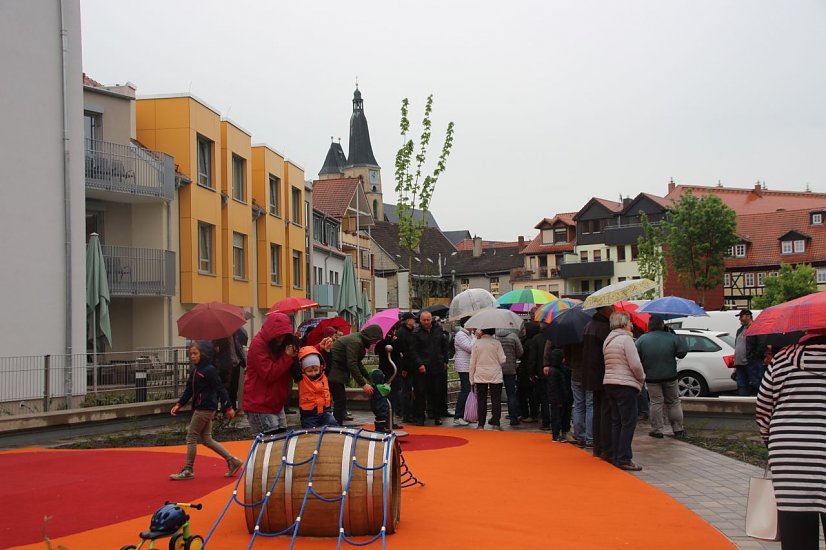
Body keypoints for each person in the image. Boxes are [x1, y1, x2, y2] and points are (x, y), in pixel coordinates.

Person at [756, 329, 826, 550]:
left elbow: (763, 408)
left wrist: (770, 439)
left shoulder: (783, 359)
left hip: (789, 453)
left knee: (797, 534)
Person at [169, 340, 243, 480]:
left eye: (195, 353)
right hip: (204, 407)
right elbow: (189, 390)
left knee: (191, 437)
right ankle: (232, 461)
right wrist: (179, 404)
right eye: (191, 354)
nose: (192, 356)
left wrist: (228, 406)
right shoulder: (196, 370)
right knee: (206, 439)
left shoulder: (208, 370)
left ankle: (188, 470)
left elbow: (220, 388)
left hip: (204, 408)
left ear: (203, 354)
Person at [602, 311, 646, 471]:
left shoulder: (608, 340)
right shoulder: (626, 340)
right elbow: (635, 364)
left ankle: (616, 454)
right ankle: (624, 458)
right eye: (629, 322)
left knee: (616, 421)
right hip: (625, 384)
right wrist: (641, 378)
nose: (632, 325)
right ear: (623, 323)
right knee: (628, 422)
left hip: (610, 382)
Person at [243, 312, 298, 435]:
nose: (280, 339)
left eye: (283, 336)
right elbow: (269, 374)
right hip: (260, 404)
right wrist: (287, 357)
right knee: (268, 447)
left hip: (274, 403)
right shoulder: (258, 344)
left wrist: (319, 348)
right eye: (278, 336)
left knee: (280, 444)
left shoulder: (278, 345)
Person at [635, 315, 688, 438]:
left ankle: (657, 429)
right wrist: (674, 335)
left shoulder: (643, 339)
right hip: (670, 375)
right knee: (674, 401)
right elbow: (682, 353)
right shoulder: (672, 337)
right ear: (662, 325)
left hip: (652, 377)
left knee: (656, 402)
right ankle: (678, 428)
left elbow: (636, 355)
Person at [327, 324, 383, 426]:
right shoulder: (356, 342)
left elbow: (357, 362)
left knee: (340, 400)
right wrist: (363, 384)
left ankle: (337, 424)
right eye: (376, 340)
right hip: (334, 369)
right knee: (339, 400)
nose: (375, 343)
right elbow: (352, 363)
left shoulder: (358, 340)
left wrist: (368, 377)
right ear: (371, 337)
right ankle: (336, 426)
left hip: (337, 369)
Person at [581, 305, 614, 461]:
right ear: (604, 310)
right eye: (611, 307)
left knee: (597, 412)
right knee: (605, 412)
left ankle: (597, 447)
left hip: (590, 374)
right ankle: (605, 448)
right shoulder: (604, 328)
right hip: (603, 374)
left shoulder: (589, 326)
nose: (613, 309)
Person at [410, 311, 449, 426]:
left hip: (436, 366)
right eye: (424, 320)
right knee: (420, 393)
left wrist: (444, 360)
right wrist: (420, 364)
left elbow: (444, 346)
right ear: (420, 320)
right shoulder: (416, 333)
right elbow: (413, 351)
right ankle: (420, 417)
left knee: (436, 392)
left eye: (428, 320)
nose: (426, 322)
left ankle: (437, 416)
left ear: (431, 319)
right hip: (422, 368)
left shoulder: (438, 330)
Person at [291, 346, 337, 429]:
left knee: (332, 424)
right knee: (310, 432)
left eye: (316, 370)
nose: (313, 373)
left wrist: (327, 351)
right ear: (303, 370)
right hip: (309, 414)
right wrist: (294, 356)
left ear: (320, 368)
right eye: (309, 371)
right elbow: (295, 369)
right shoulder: (301, 378)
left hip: (325, 411)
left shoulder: (324, 375)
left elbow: (328, 363)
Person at [470, 328, 506, 430]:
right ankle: (496, 423)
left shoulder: (477, 343)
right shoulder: (497, 343)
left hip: (480, 375)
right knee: (496, 399)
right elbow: (502, 359)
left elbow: (472, 362)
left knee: (481, 400)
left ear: (483, 331)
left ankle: (481, 424)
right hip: (495, 374)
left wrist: (471, 379)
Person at [734, 309, 767, 396]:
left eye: (741, 316)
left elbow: (762, 344)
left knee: (756, 383)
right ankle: (743, 405)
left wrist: (753, 356)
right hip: (739, 363)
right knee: (741, 385)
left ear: (748, 316)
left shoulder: (756, 328)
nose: (740, 319)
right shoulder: (740, 330)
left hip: (752, 362)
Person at [565, 342, 592, 448]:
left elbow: (567, 355)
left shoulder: (571, 338)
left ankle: (580, 435)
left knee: (578, 405)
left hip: (576, 372)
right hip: (589, 373)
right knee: (590, 405)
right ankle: (590, 438)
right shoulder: (591, 336)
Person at [545, 345, 573, 442]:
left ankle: (556, 434)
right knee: (556, 417)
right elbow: (557, 387)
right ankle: (556, 435)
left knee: (556, 416)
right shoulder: (557, 372)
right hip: (557, 399)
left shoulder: (554, 371)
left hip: (556, 398)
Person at [497, 328, 523, 426]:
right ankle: (513, 417)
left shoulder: (495, 338)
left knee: (496, 395)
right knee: (511, 394)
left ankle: (496, 417)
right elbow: (520, 352)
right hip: (511, 368)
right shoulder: (513, 336)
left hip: (498, 369)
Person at [394, 313, 418, 423]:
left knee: (408, 390)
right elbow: (403, 351)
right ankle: (406, 414)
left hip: (410, 365)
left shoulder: (408, 332)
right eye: (413, 319)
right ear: (408, 321)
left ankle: (409, 412)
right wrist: (404, 368)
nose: (414, 321)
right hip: (406, 366)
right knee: (406, 391)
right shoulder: (402, 333)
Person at [452, 317, 475, 425]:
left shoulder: (470, 335)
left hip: (469, 365)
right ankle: (458, 416)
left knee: (470, 390)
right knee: (465, 390)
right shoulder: (460, 335)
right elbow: (470, 348)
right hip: (463, 366)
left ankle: (467, 414)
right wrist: (476, 337)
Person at [369, 369, 393, 433]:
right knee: (383, 416)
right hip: (381, 405)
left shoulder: (373, 386)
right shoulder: (380, 387)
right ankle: (381, 428)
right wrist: (387, 385)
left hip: (375, 405)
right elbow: (387, 389)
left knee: (379, 416)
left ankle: (378, 428)